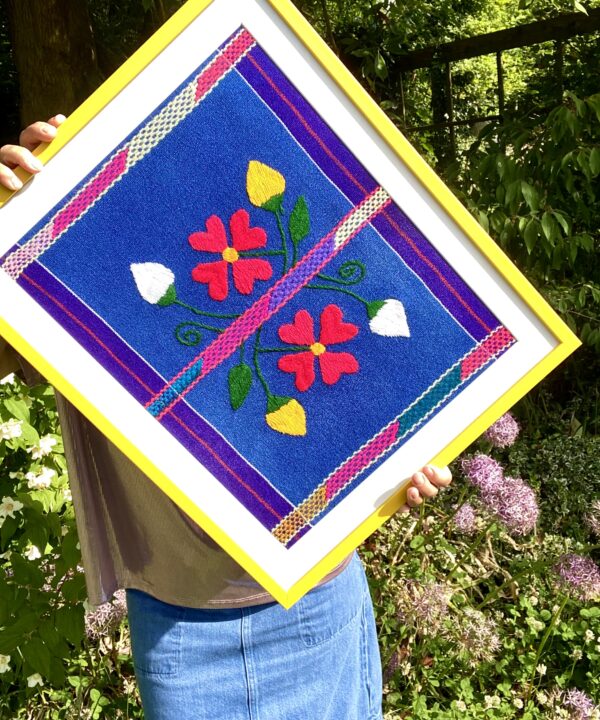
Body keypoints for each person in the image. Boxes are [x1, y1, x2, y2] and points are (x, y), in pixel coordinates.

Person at [0, 119, 453, 720]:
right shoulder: (78, 240)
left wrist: (409, 456)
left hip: (316, 594)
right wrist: (9, 221)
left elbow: (404, 342)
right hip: (178, 616)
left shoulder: (283, 150)